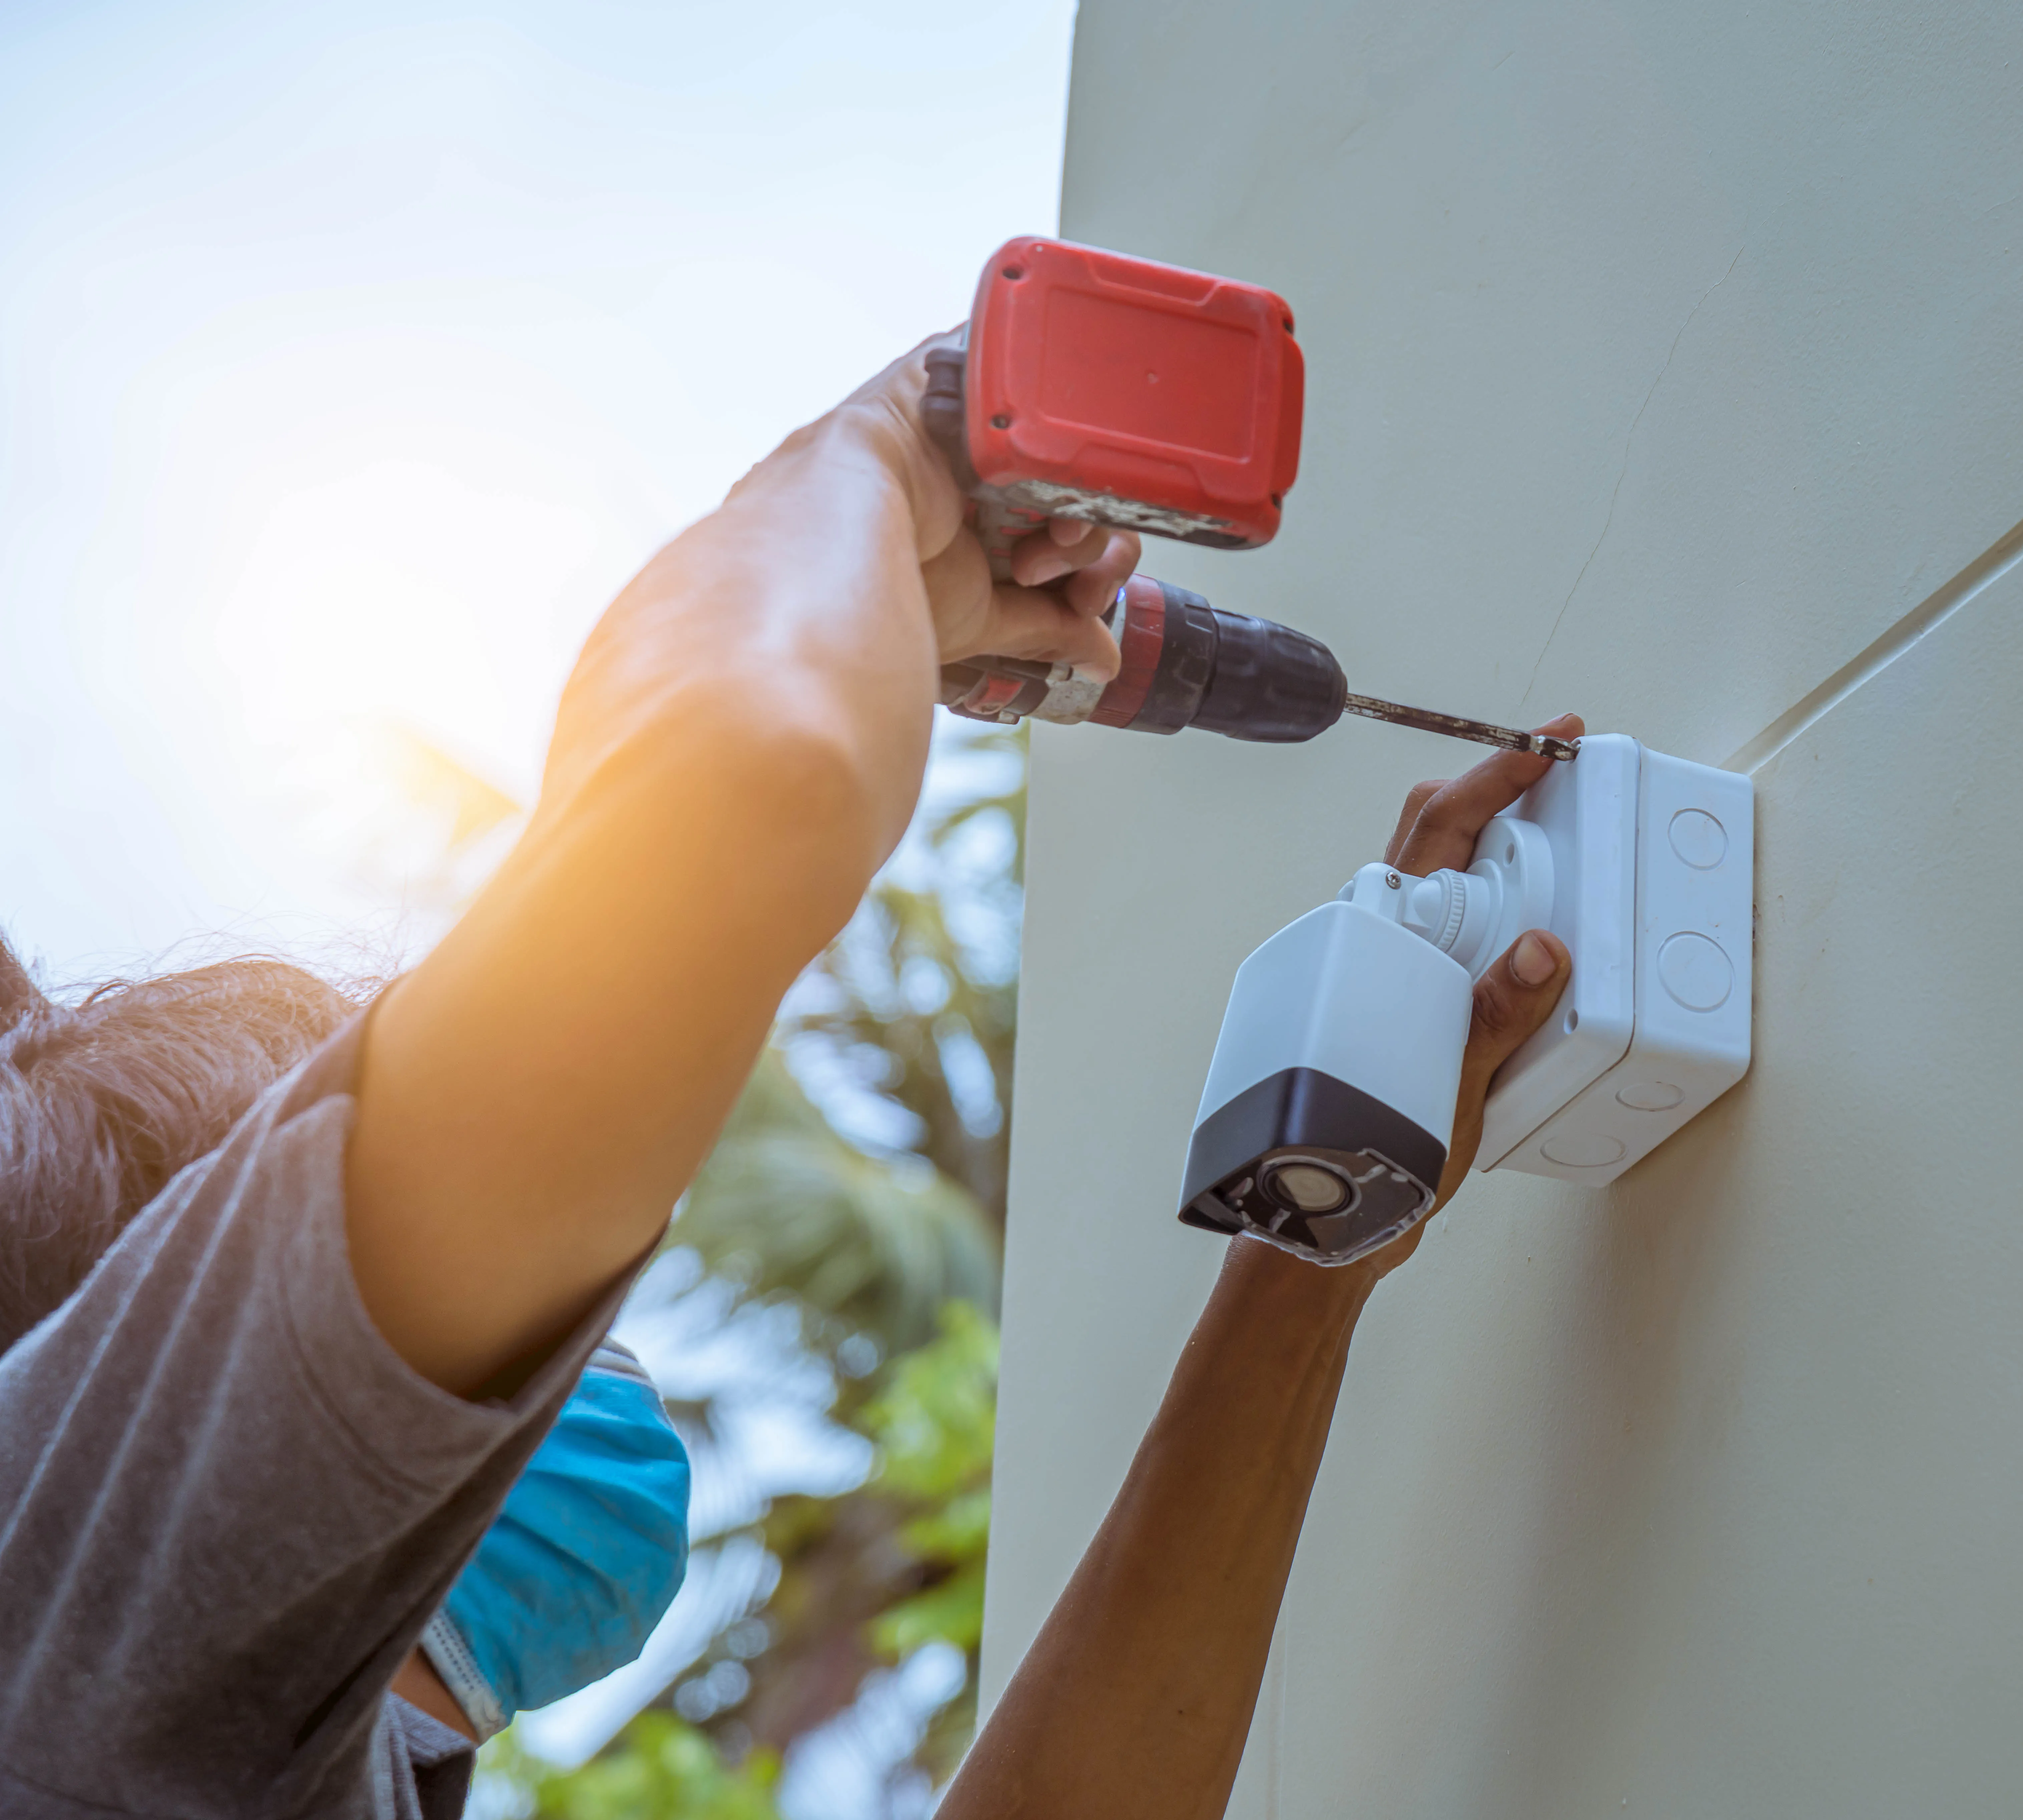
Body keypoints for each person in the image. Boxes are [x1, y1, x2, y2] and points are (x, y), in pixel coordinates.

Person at [0, 332, 1579, 1819]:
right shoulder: (53, 1637)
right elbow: (752, 777)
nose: (566, 1354)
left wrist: (1316, 1242)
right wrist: (877, 458)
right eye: (432, 1224)